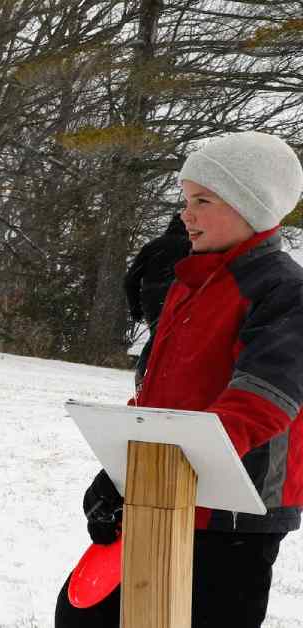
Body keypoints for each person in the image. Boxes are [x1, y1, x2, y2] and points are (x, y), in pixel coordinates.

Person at [56, 131, 303, 627]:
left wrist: (156, 470)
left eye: (203, 200)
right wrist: (121, 473)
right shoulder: (190, 284)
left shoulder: (285, 291)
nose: (185, 214)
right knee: (84, 616)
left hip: (237, 511)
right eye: (185, 199)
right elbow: (159, 394)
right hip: (166, 490)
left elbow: (260, 404)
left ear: (250, 206)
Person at [123, 214, 190, 373]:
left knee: (159, 335)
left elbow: (131, 279)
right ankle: (150, 372)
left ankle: (149, 372)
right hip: (178, 294)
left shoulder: (152, 246)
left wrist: (135, 308)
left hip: (150, 297)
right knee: (168, 338)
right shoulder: (191, 247)